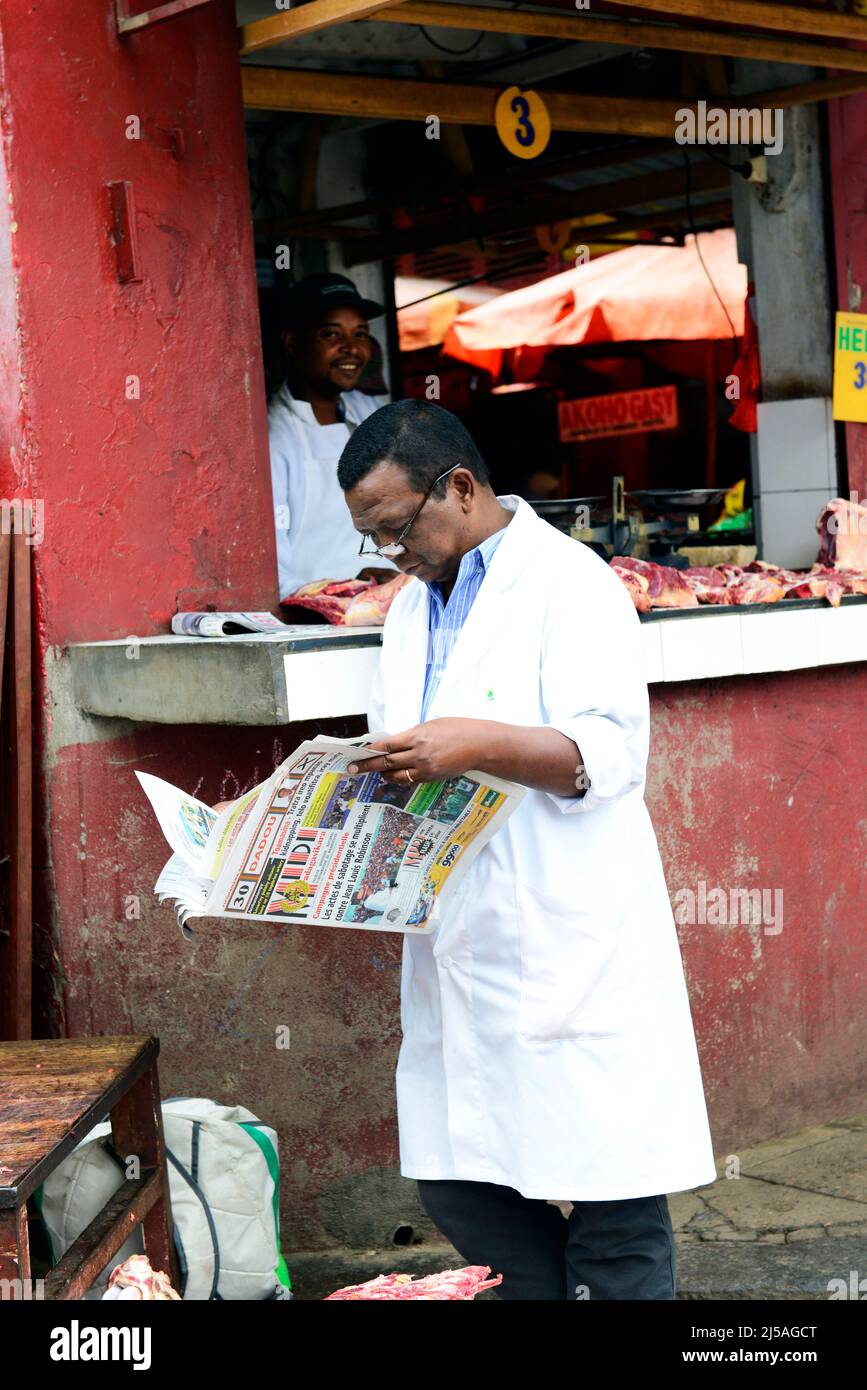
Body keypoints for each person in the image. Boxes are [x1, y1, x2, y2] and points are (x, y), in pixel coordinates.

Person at [336, 399, 717, 1301]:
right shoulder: (406, 612)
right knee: (456, 1178)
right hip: (455, 926)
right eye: (373, 541)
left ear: (459, 488)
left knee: (610, 1198)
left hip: (566, 929)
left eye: (396, 530)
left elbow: (609, 754)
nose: (393, 556)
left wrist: (472, 743)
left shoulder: (570, 583)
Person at [268, 272, 396, 597]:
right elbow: (274, 566)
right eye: (331, 335)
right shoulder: (274, 437)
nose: (351, 349)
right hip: (313, 610)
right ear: (292, 342)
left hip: (393, 598)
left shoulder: (373, 413)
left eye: (361, 334)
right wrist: (347, 586)